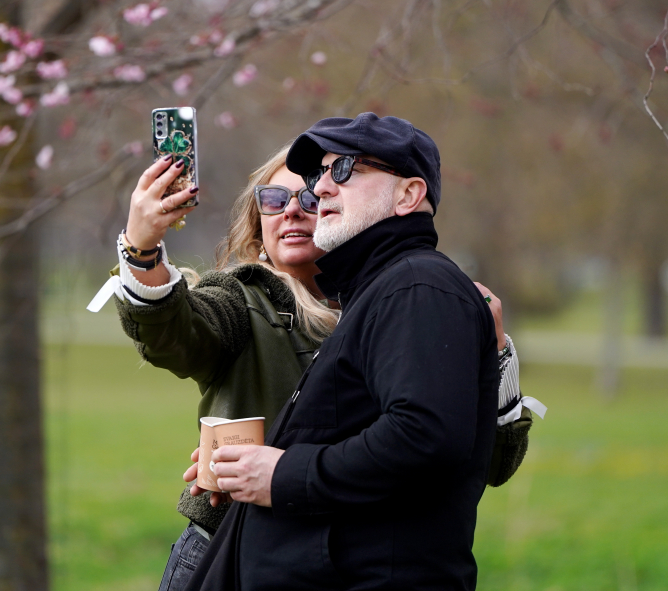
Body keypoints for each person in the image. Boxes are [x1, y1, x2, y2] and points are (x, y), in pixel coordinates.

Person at [100, 140, 536, 591]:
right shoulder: (242, 299)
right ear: (257, 223)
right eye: (272, 199)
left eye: (310, 196)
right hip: (225, 550)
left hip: (333, 566)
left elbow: (484, 464)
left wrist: (495, 351)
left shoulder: (402, 300)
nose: (291, 211)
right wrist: (142, 247)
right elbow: (172, 335)